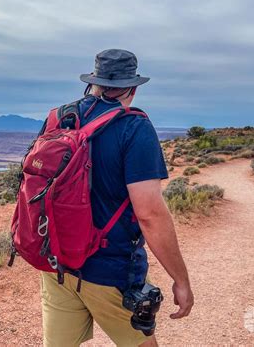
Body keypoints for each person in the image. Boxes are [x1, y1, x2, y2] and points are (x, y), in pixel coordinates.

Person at [40, 49, 194, 346]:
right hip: (110, 271)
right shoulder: (134, 127)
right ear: (133, 88)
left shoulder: (60, 118)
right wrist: (181, 280)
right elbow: (149, 214)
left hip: (57, 262)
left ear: (93, 81)